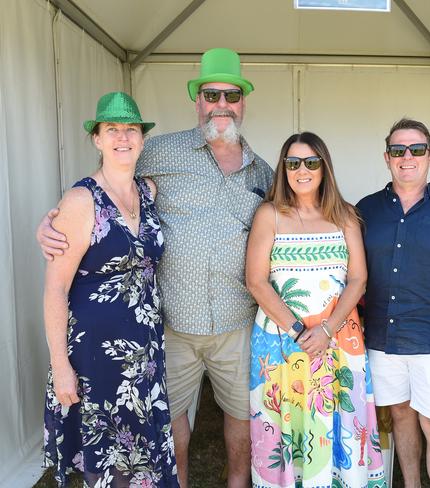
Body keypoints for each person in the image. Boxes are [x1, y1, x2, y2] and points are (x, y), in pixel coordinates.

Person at [37, 48, 274, 488]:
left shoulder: (263, 172)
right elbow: (104, 183)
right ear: (197, 100)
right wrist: (52, 221)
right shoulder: (160, 151)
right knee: (168, 430)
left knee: (242, 422)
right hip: (171, 326)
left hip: (236, 323)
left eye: (231, 95)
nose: (221, 104)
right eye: (211, 94)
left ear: (243, 101)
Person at [42, 92, 179, 487]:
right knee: (109, 463)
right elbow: (54, 289)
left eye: (131, 129)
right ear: (97, 139)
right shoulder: (81, 200)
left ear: (141, 138)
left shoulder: (148, 191)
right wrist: (60, 367)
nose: (123, 137)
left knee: (143, 459)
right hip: (92, 360)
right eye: (112, 129)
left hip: (144, 354)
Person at [246, 132, 386, 487]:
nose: (302, 170)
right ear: (284, 169)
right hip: (282, 344)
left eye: (311, 162)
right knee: (286, 431)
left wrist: (326, 330)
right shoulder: (269, 215)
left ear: (324, 167)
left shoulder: (345, 216)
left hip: (339, 340)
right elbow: (256, 281)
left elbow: (358, 279)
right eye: (293, 163)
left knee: (339, 427)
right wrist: (299, 332)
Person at [356, 118, 430, 488]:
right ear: (387, 157)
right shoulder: (366, 210)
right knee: (402, 417)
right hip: (381, 341)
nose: (407, 157)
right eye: (398, 150)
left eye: (416, 149)